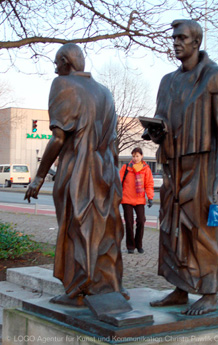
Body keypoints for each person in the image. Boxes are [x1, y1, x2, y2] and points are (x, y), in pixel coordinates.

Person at [24, 43, 126, 306]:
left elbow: (58, 138)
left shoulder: (63, 85)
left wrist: (39, 176)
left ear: (65, 63)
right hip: (106, 170)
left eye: (57, 63)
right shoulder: (105, 92)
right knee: (104, 229)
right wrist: (113, 178)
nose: (55, 69)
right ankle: (107, 285)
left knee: (76, 226)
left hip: (79, 169)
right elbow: (113, 143)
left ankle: (79, 289)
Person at [144, 19, 218, 315]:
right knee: (171, 228)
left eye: (182, 37)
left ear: (197, 41)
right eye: (174, 38)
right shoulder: (167, 81)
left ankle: (209, 293)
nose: (176, 42)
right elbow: (161, 119)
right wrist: (155, 131)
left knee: (204, 228)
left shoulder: (216, 76)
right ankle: (180, 287)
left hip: (203, 165)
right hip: (173, 164)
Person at [120, 147, 154, 254]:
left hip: (139, 200)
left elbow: (149, 184)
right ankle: (130, 246)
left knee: (141, 221)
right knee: (129, 223)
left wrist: (150, 197)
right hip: (127, 199)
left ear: (141, 156)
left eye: (137, 156)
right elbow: (118, 182)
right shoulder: (126, 168)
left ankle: (139, 245)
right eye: (133, 156)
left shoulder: (146, 169)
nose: (135, 158)